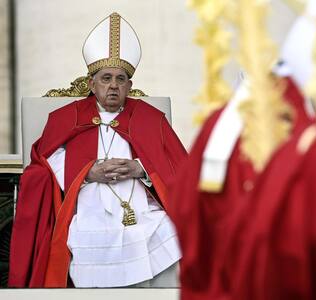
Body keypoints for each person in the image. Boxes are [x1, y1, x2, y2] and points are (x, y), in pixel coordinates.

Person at [8, 12, 187, 288]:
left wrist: (141, 168)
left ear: (130, 86)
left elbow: (181, 168)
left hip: (141, 204)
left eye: (120, 79)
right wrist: (87, 172)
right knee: (89, 234)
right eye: (105, 78)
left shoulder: (151, 119)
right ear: (91, 84)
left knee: (169, 230)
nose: (113, 86)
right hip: (87, 204)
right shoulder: (64, 118)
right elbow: (43, 161)